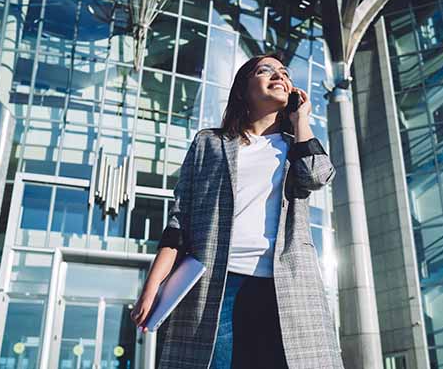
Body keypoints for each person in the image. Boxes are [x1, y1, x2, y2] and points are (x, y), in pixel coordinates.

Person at [130, 53, 344, 369]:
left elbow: (316, 176)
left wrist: (301, 121)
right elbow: (179, 221)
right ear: (242, 89)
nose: (279, 76)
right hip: (216, 284)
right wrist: (153, 287)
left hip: (286, 286)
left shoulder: (294, 144)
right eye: (265, 70)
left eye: (284, 72)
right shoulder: (209, 143)